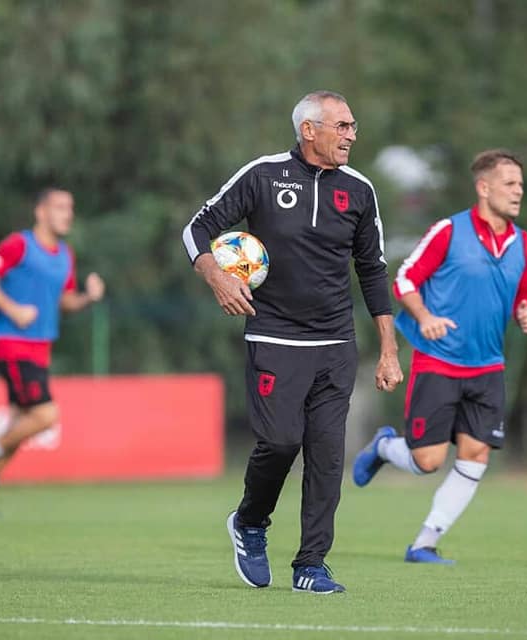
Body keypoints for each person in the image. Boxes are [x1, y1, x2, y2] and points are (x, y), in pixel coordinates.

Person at [182, 90, 403, 594]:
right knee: (281, 442)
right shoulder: (262, 175)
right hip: (273, 336)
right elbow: (197, 229)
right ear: (309, 130)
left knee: (327, 457)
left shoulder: (360, 190)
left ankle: (311, 564)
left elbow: (373, 271)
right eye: (342, 125)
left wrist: (388, 350)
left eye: (353, 126)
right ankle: (250, 521)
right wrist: (217, 277)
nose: (351, 134)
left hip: (335, 343)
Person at [352, 149, 527, 564]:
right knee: (428, 461)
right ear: (484, 187)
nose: (517, 191)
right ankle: (385, 447)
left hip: (488, 367)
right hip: (438, 361)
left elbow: (526, 292)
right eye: (509, 184)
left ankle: (424, 543)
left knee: (476, 456)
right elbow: (404, 280)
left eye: (521, 185)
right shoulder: (449, 231)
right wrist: (425, 317)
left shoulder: (522, 243)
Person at [0, 188, 105, 516]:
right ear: (41, 211)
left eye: (70, 207)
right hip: (13, 345)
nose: (68, 213)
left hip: (41, 349)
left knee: (18, 424)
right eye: (60, 207)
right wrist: (13, 309)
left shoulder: (65, 255)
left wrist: (88, 297)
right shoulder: (19, 244)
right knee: (44, 416)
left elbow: (65, 302)